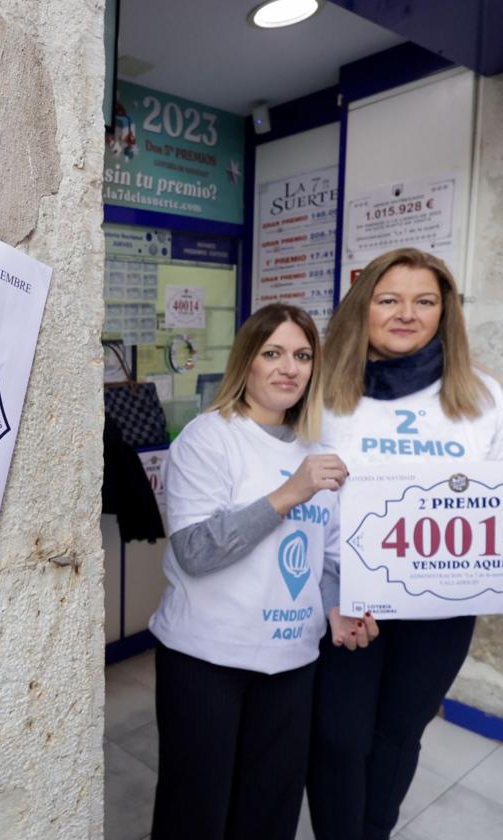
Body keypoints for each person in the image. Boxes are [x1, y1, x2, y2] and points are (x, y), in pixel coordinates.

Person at [305, 247, 503, 840]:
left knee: (401, 730)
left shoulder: (482, 397)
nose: (406, 313)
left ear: (445, 312)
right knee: (337, 736)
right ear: (362, 307)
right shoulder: (322, 392)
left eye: (424, 301)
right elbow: (295, 501)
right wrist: (327, 596)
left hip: (441, 604)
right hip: (346, 600)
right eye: (388, 299)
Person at [147, 303, 372, 840]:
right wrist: (289, 493)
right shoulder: (209, 437)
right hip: (207, 659)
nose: (288, 368)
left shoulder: (318, 450)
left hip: (292, 659)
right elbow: (196, 552)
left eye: (301, 355)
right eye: (272, 353)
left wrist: (335, 606)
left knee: (270, 808)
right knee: (195, 810)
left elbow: (325, 554)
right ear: (246, 362)